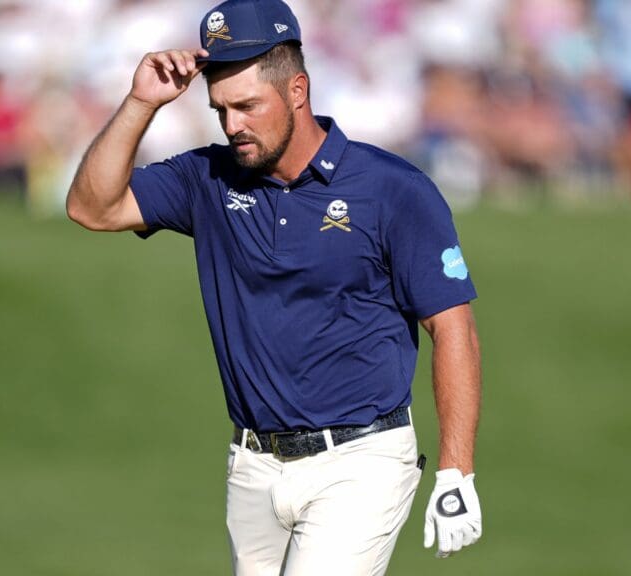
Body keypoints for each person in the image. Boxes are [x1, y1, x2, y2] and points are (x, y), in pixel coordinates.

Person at [66, 1, 483, 573]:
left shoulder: (393, 189)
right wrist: (141, 103)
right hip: (252, 468)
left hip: (362, 462)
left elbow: (452, 327)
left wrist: (457, 471)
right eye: (220, 109)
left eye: (247, 106)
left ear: (297, 91)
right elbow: (92, 207)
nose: (232, 125)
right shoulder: (207, 178)